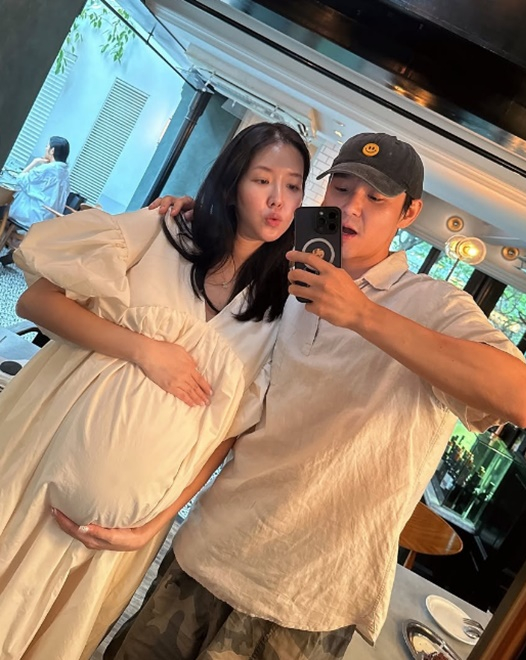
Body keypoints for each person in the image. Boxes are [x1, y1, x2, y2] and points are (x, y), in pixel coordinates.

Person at [75, 133, 526, 660]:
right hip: (206, 552)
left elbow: (521, 401)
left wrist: (362, 314)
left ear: (409, 213)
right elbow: (238, 422)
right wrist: (195, 211)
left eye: (375, 198)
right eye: (341, 188)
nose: (351, 206)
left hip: (305, 602)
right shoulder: (285, 279)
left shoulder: (436, 304)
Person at [0, 122, 309, 660]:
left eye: (294, 185)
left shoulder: (281, 308)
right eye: (262, 180)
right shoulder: (162, 232)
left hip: (113, 540)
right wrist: (143, 349)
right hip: (35, 473)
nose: (278, 200)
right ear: (232, 182)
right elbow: (36, 303)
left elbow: (227, 434)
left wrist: (154, 525)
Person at [0, 136, 71, 267]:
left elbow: (20, 179)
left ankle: (12, 243)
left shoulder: (47, 169)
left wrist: (35, 162)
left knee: (3, 207)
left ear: (52, 151)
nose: (45, 148)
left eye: (47, 146)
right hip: (46, 220)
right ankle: (15, 247)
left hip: (30, 214)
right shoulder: (65, 174)